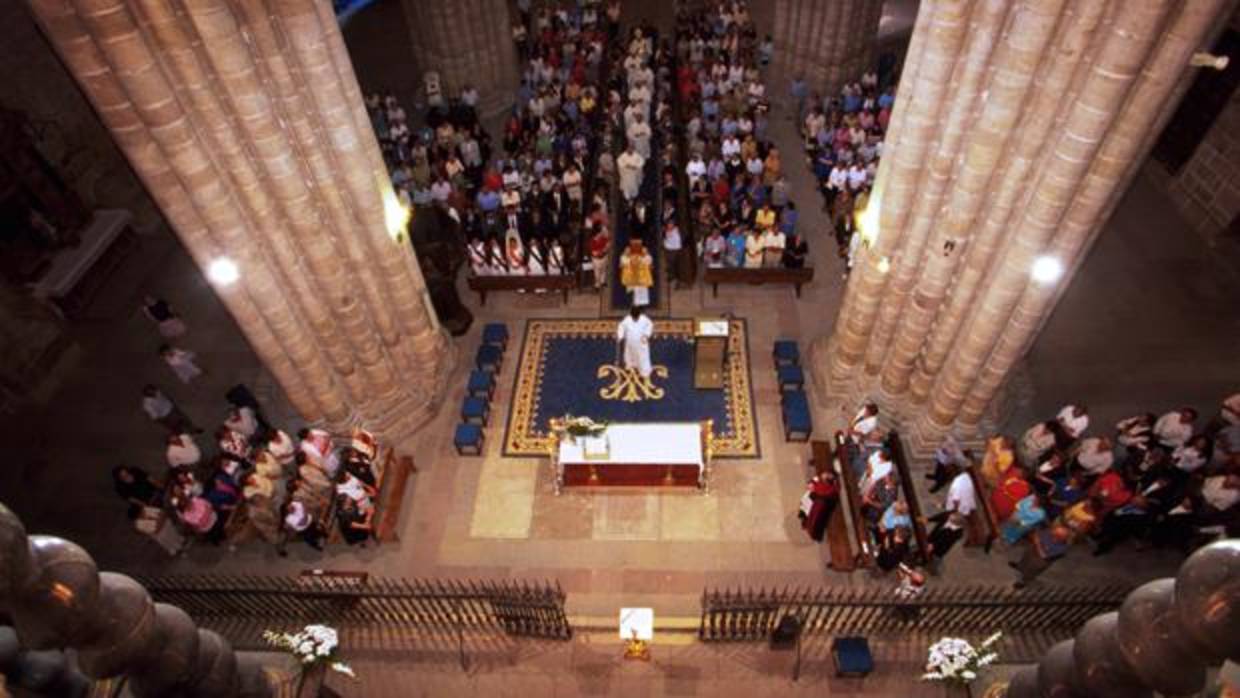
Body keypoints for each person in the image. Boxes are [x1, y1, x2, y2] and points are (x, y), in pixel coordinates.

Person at [1010, 524, 1072, 589]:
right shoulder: (1048, 532)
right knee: (1026, 558)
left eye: (1055, 531)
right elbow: (1038, 535)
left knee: (1031, 570)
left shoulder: (1062, 548)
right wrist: (1035, 537)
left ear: (1060, 536)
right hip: (1034, 550)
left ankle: (1023, 582)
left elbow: (1044, 555)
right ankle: (1020, 567)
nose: (1052, 531)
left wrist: (1038, 543)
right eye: (1054, 530)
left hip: (1041, 560)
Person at [798, 473, 839, 543]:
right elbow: (815, 482)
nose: (825, 475)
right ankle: (805, 521)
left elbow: (820, 491)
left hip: (819, 506)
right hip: (816, 501)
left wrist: (813, 486)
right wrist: (812, 483)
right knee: (806, 507)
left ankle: (812, 531)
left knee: (814, 519)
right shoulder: (825, 481)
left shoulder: (831, 488)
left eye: (828, 476)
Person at [616, 305, 654, 379]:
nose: (635, 319)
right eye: (634, 317)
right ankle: (630, 365)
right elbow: (621, 326)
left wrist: (646, 335)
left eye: (636, 317)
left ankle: (644, 371)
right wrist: (620, 336)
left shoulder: (644, 319)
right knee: (629, 355)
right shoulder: (627, 319)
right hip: (630, 343)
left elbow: (650, 325)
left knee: (642, 357)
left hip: (641, 343)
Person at [619, 240, 654, 306]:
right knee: (634, 289)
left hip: (642, 276)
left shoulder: (647, 257)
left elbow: (647, 263)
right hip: (631, 275)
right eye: (626, 251)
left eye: (645, 251)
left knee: (641, 290)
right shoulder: (624, 257)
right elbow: (625, 263)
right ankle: (634, 303)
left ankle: (639, 303)